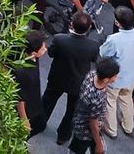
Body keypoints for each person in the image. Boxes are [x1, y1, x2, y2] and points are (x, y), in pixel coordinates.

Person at [40, 12, 103, 144]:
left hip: (57, 78)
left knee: (47, 102)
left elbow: (51, 53)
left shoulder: (59, 39)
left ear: (71, 24)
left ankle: (39, 124)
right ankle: (63, 136)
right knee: (72, 111)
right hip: (78, 82)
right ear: (88, 28)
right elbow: (94, 59)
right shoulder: (93, 45)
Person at [98, 6, 134, 138]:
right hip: (131, 76)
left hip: (115, 78)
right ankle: (128, 126)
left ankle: (111, 129)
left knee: (110, 101)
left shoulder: (114, 39)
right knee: (126, 99)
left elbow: (103, 53)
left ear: (117, 22)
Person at [69, 57, 121, 154]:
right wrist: (98, 143)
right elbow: (93, 123)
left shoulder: (92, 74)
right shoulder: (97, 98)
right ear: (106, 79)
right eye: (114, 76)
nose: (116, 78)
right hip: (86, 131)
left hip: (78, 118)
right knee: (80, 149)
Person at [12, 30, 47, 135]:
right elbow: (20, 98)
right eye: (42, 49)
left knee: (41, 125)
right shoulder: (22, 71)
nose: (45, 49)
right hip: (28, 109)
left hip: (34, 101)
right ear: (33, 52)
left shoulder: (34, 59)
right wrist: (24, 120)